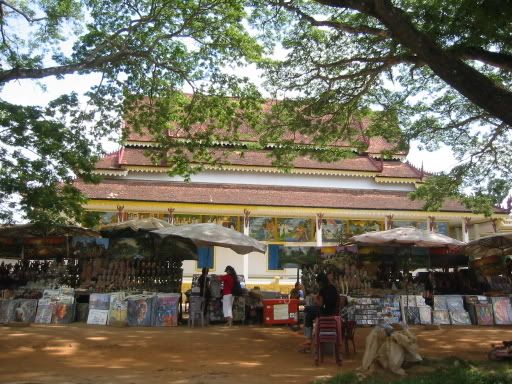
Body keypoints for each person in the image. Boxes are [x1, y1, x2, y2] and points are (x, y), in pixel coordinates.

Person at [299, 272, 339, 352]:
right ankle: (308, 340)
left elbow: (320, 304)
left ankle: (308, 340)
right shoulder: (333, 288)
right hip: (333, 312)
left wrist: (315, 299)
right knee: (309, 313)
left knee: (307, 310)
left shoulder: (322, 290)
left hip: (325, 313)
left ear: (320, 282)